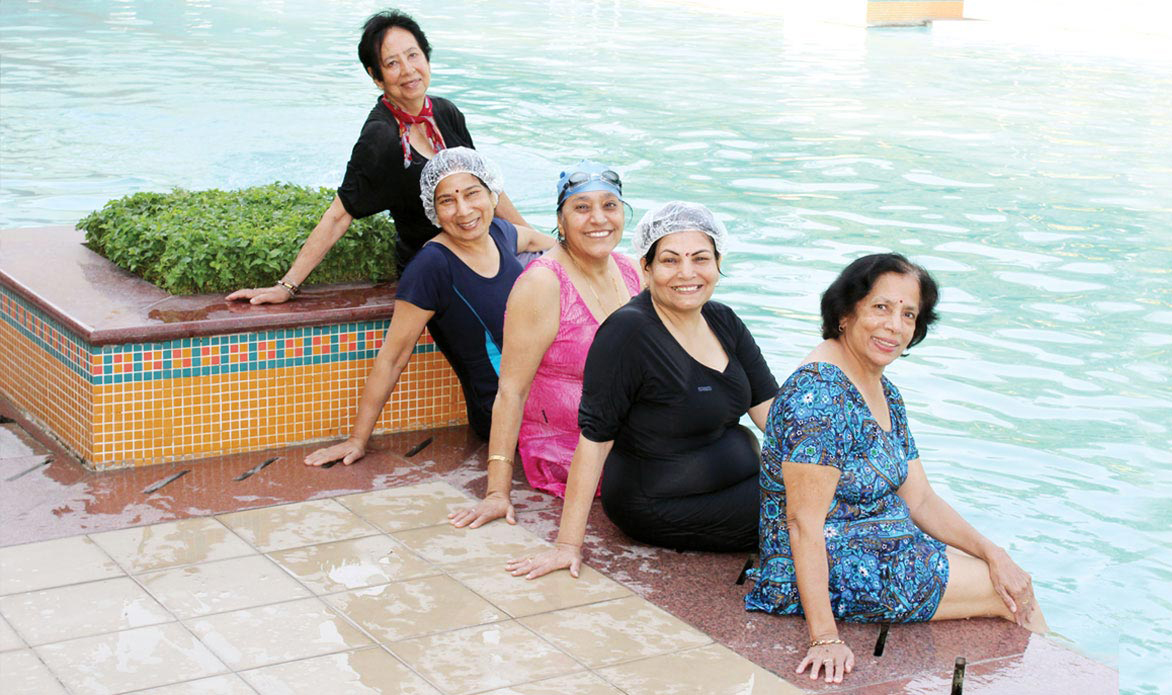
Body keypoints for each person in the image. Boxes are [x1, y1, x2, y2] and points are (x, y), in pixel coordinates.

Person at [743, 253, 1048, 685]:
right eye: (881, 307)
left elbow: (919, 498)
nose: (894, 326)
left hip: (879, 547)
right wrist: (824, 637)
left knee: (1007, 575)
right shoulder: (819, 395)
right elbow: (802, 524)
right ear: (846, 313)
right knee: (1014, 597)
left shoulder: (882, 388)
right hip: (829, 567)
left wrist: (993, 552)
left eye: (908, 314)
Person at [506, 201, 778, 577]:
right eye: (670, 260)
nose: (687, 273)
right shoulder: (627, 333)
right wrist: (567, 545)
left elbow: (771, 410)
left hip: (735, 483)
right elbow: (595, 440)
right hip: (661, 503)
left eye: (700, 259)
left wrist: (834, 460)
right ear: (646, 268)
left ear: (718, 263)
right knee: (813, 510)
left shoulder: (723, 320)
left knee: (830, 491)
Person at [227, 9, 528, 305]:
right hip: (436, 269)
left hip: (482, 251)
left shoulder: (445, 112)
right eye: (392, 63)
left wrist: (534, 244)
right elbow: (340, 214)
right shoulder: (381, 137)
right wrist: (286, 285)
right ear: (376, 77)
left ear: (426, 58)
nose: (408, 70)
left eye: (413, 55)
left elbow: (488, 189)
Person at [304, 148, 550, 467]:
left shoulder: (499, 233)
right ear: (433, 210)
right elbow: (392, 357)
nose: (463, 210)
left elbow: (541, 243)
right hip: (505, 414)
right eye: (447, 200)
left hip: (546, 392)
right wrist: (357, 439)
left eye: (472, 194)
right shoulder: (431, 267)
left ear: (492, 195)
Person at [448, 162, 642, 529]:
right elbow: (511, 391)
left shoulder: (631, 271)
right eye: (582, 207)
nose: (598, 218)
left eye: (609, 205)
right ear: (561, 221)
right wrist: (497, 492)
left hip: (625, 436)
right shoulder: (543, 283)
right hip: (568, 449)